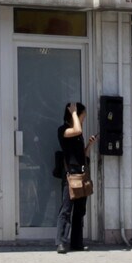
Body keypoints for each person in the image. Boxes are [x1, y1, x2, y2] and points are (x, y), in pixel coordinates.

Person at [56, 101, 94, 253]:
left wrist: (89, 145)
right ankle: (61, 242)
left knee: (80, 210)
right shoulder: (63, 130)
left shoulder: (78, 134)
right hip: (70, 176)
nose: (83, 119)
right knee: (66, 210)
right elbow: (77, 129)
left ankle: (77, 243)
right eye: (83, 116)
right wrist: (74, 112)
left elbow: (81, 155)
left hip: (81, 174)